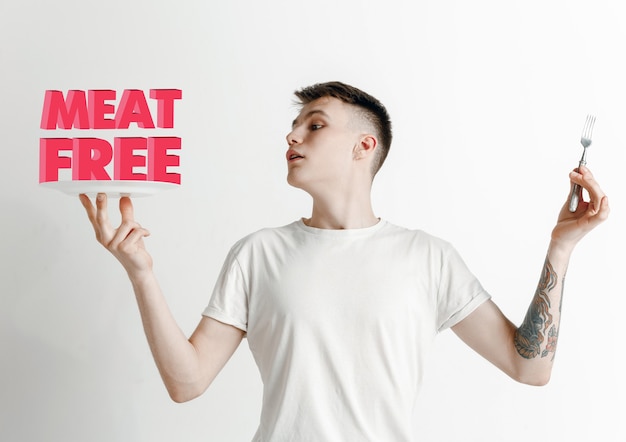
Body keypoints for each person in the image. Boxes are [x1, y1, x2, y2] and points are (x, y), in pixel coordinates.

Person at [79, 81, 609, 441]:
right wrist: (140, 272)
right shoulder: (259, 254)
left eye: (314, 125)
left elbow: (530, 367)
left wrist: (560, 248)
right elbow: (187, 383)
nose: (292, 136)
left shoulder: (427, 258)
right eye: (294, 126)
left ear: (364, 145)